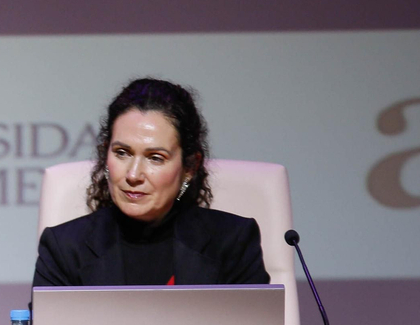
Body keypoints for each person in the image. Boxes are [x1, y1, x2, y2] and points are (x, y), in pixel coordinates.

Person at [33, 78, 270, 287]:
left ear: (190, 167)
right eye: (122, 153)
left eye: (155, 158)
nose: (133, 175)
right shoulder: (64, 248)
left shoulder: (231, 242)